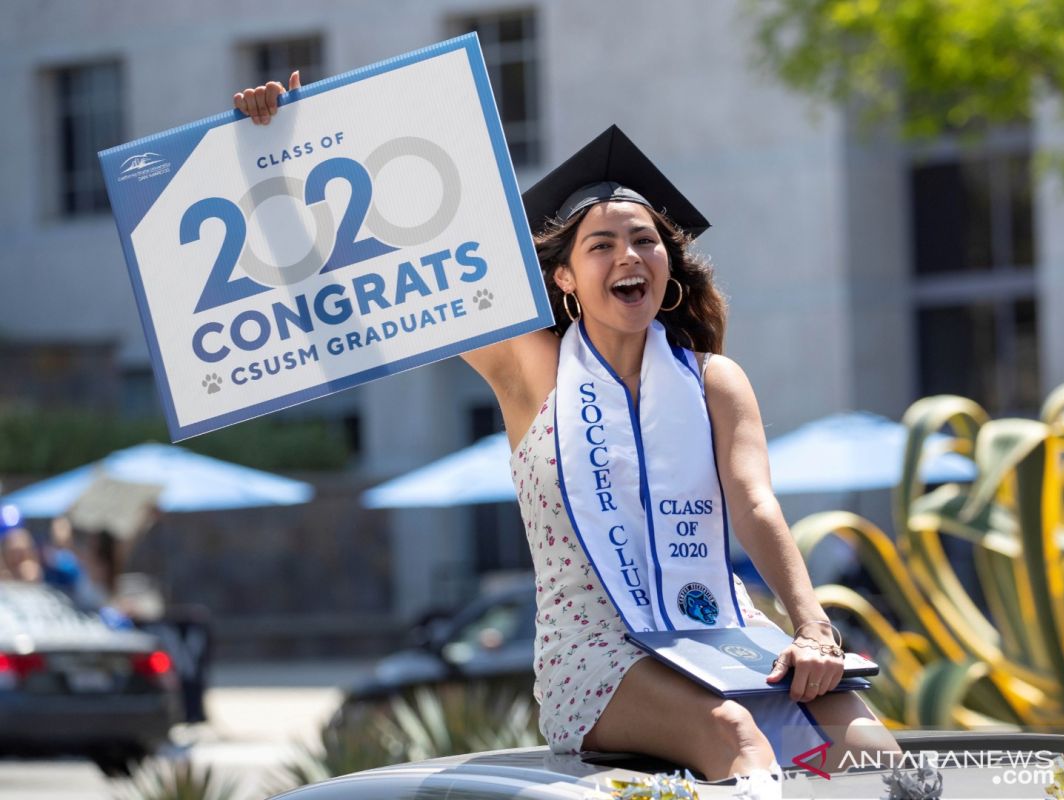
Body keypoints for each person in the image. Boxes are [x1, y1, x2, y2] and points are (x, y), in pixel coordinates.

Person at [236, 75, 899, 797]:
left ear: (667, 267)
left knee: (871, 751)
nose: (628, 257)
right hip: (594, 653)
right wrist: (292, 148)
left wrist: (811, 628)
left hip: (719, 631)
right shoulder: (530, 371)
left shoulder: (713, 382)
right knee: (730, 733)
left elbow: (755, 505)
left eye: (644, 242)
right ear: (564, 280)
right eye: (602, 245)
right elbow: (390, 269)